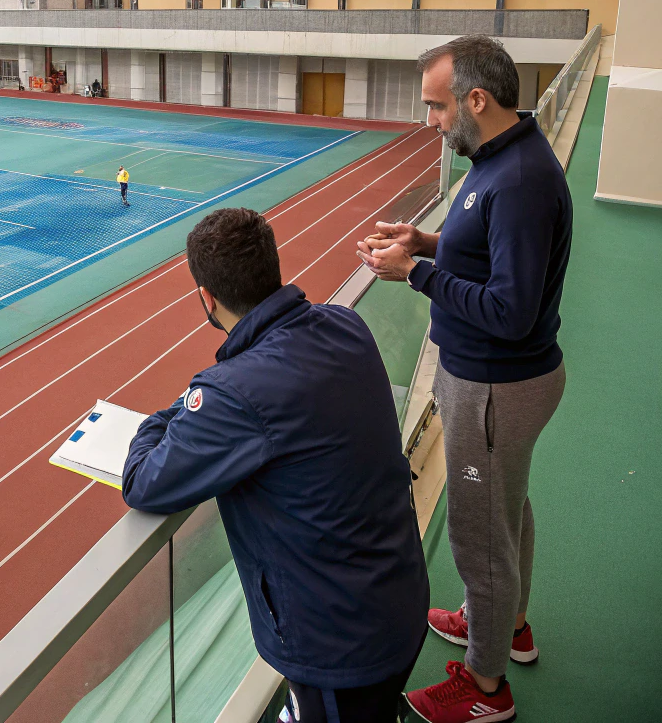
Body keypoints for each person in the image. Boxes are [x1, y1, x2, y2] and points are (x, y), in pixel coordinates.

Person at [124, 208, 429, 723]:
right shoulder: (344, 324)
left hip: (339, 647)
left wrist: (169, 414)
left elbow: (143, 482)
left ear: (207, 297)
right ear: (273, 268)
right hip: (395, 596)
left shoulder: (234, 393)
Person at [357, 36, 572, 723]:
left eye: (437, 107)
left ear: (477, 99)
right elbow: (490, 253)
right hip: (500, 382)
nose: (432, 122)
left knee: (479, 535)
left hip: (494, 383)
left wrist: (415, 274)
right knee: (506, 513)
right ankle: (506, 625)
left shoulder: (516, 180)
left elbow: (510, 312)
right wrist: (424, 242)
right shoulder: (502, 159)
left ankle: (486, 687)